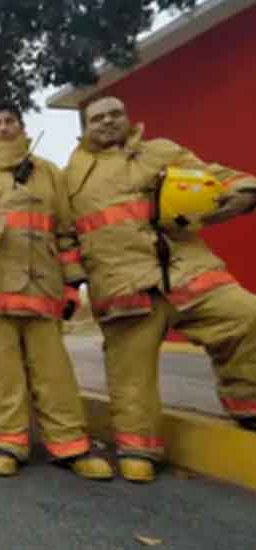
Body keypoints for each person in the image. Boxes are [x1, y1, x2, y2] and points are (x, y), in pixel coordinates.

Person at [63, 95, 256, 482]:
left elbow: (225, 180)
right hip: (122, 286)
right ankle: (139, 448)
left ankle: (246, 402)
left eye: (115, 114)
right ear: (85, 128)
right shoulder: (70, 177)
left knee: (247, 316)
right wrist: (71, 284)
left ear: (128, 118)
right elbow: (65, 237)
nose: (107, 122)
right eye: (97, 118)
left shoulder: (162, 152)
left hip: (188, 273)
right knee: (129, 375)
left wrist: (235, 198)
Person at [0, 103, 113, 480]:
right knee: (3, 376)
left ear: (22, 126)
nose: (3, 127)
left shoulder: (50, 175)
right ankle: (8, 443)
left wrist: (72, 284)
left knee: (54, 372)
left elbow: (66, 233)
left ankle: (70, 445)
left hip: (44, 291)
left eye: (9, 121)